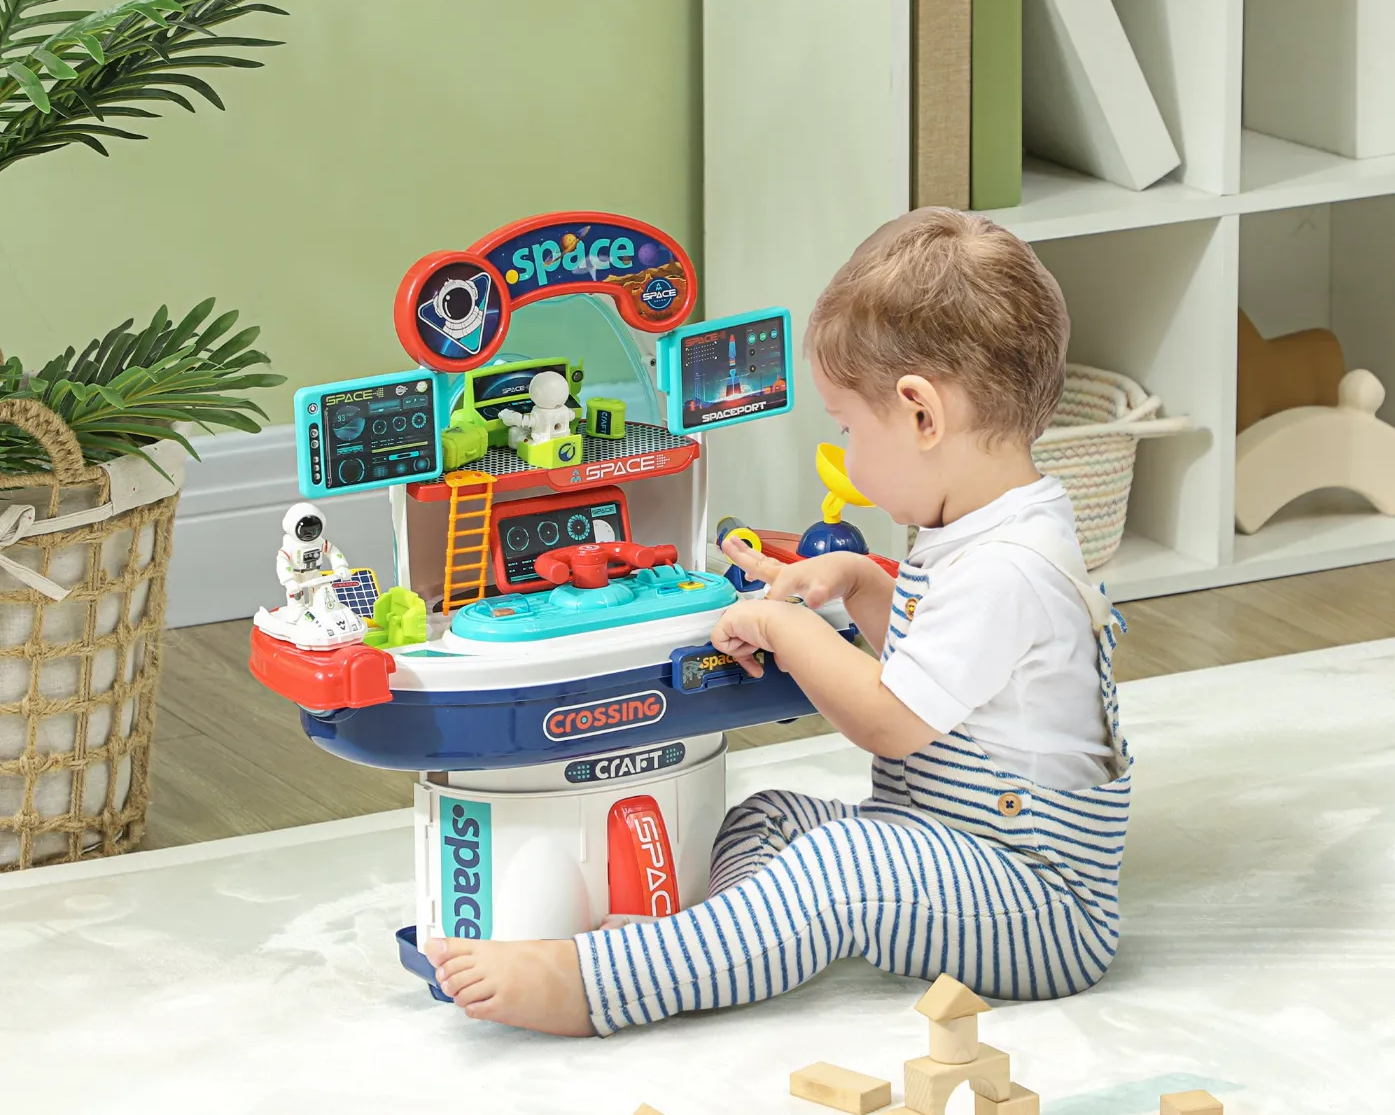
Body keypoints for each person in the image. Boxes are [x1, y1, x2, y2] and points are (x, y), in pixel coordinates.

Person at [424, 208, 1132, 1036]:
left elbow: (891, 719)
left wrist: (787, 630)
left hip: (1040, 905)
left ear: (921, 415)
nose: (847, 454)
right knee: (768, 817)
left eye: (847, 429)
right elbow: (948, 675)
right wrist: (860, 582)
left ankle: (598, 985)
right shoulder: (984, 527)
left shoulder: (1007, 567)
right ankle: (712, 946)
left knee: (839, 864)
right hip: (951, 838)